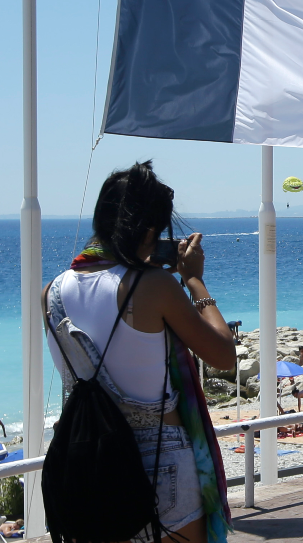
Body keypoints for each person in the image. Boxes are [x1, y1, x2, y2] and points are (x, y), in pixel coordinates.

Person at [42, 161, 235, 543]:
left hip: (89, 462)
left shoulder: (52, 292)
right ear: (148, 230)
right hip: (159, 456)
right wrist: (194, 281)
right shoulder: (154, 285)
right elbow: (224, 354)